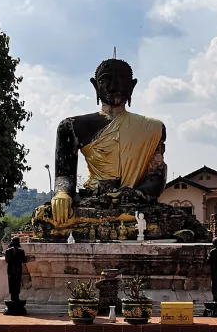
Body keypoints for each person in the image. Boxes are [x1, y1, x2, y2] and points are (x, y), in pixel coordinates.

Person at [49, 58, 167, 225]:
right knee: (47, 216)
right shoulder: (72, 126)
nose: (113, 86)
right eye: (105, 80)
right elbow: (64, 175)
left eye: (120, 79)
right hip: (94, 202)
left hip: (133, 204)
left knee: (156, 217)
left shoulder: (153, 128)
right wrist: (62, 193)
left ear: (131, 86)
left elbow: (157, 176)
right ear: (95, 86)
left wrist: (134, 194)